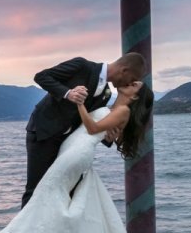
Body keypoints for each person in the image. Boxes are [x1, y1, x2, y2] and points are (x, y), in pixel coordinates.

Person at [0, 80, 171, 233]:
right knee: (51, 196)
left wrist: (79, 103)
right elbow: (102, 132)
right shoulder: (114, 108)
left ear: (135, 96)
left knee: (47, 195)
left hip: (77, 153)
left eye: (134, 85)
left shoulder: (123, 110)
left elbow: (92, 128)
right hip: (72, 148)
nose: (130, 83)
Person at [22, 53, 146, 208]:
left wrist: (107, 138)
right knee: (35, 188)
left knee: (64, 190)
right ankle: (25, 231)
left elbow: (89, 121)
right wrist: (68, 93)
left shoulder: (106, 93)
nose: (130, 83)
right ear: (124, 70)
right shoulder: (82, 66)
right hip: (43, 132)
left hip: (68, 143)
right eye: (132, 79)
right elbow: (41, 76)